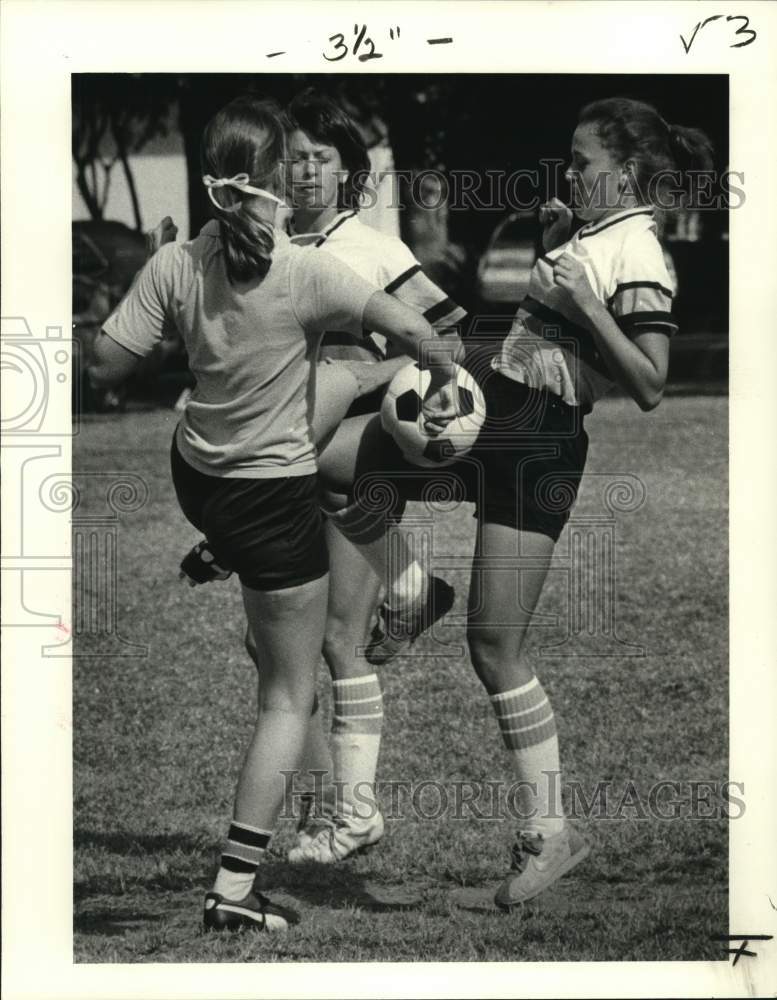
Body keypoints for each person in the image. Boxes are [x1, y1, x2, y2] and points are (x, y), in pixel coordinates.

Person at [313, 96, 713, 908]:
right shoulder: (595, 233)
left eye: (584, 161)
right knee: (331, 464)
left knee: (494, 644)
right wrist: (559, 246)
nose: (569, 172)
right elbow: (551, 314)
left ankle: (548, 834)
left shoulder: (639, 248)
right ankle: (410, 586)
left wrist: (586, 304)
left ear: (628, 172)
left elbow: (650, 384)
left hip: (541, 439)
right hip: (496, 401)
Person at [88, 95, 461, 932]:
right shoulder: (311, 272)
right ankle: (233, 891)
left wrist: (155, 293)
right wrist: (432, 382)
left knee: (271, 634)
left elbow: (107, 367)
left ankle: (388, 578)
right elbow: (433, 335)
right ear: (271, 186)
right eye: (288, 162)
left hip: (198, 476)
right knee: (288, 695)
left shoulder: (175, 263)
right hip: (267, 492)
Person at [177, 89, 468, 864]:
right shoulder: (253, 246)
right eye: (294, 156)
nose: (305, 170)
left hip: (344, 455)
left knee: (334, 640)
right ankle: (322, 809)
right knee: (271, 649)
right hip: (280, 469)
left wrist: (356, 377)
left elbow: (445, 339)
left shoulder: (372, 249)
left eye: (321, 158)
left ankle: (352, 816)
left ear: (349, 172)